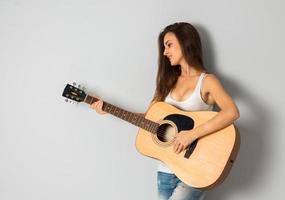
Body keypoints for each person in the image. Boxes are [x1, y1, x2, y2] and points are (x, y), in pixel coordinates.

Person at [90, 22, 240, 200]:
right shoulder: (167, 81)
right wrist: (108, 109)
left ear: (186, 42)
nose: (164, 52)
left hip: (195, 169)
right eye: (163, 46)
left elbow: (231, 112)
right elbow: (149, 118)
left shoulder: (207, 81)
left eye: (169, 44)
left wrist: (191, 135)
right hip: (165, 170)